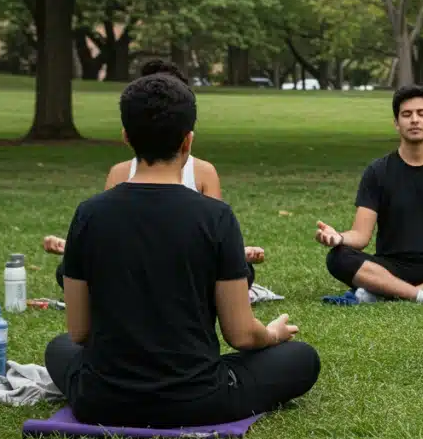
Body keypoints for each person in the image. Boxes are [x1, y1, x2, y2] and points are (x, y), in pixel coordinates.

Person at [44, 71, 319, 427]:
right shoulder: (215, 217)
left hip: (102, 399)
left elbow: (79, 332)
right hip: (197, 399)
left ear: (126, 137)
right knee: (301, 358)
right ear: (188, 142)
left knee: (59, 347)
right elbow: (240, 335)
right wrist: (272, 335)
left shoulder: (89, 214)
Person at [41, 61, 279, 304]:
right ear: (188, 139)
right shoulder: (119, 174)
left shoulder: (203, 173)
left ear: (126, 136)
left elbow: (212, 241)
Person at [316, 85, 423, 303]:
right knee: (338, 258)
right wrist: (338, 237)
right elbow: (360, 236)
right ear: (397, 123)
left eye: (421, 113)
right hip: (389, 267)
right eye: (406, 115)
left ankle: (388, 292)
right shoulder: (377, 171)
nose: (414, 120)